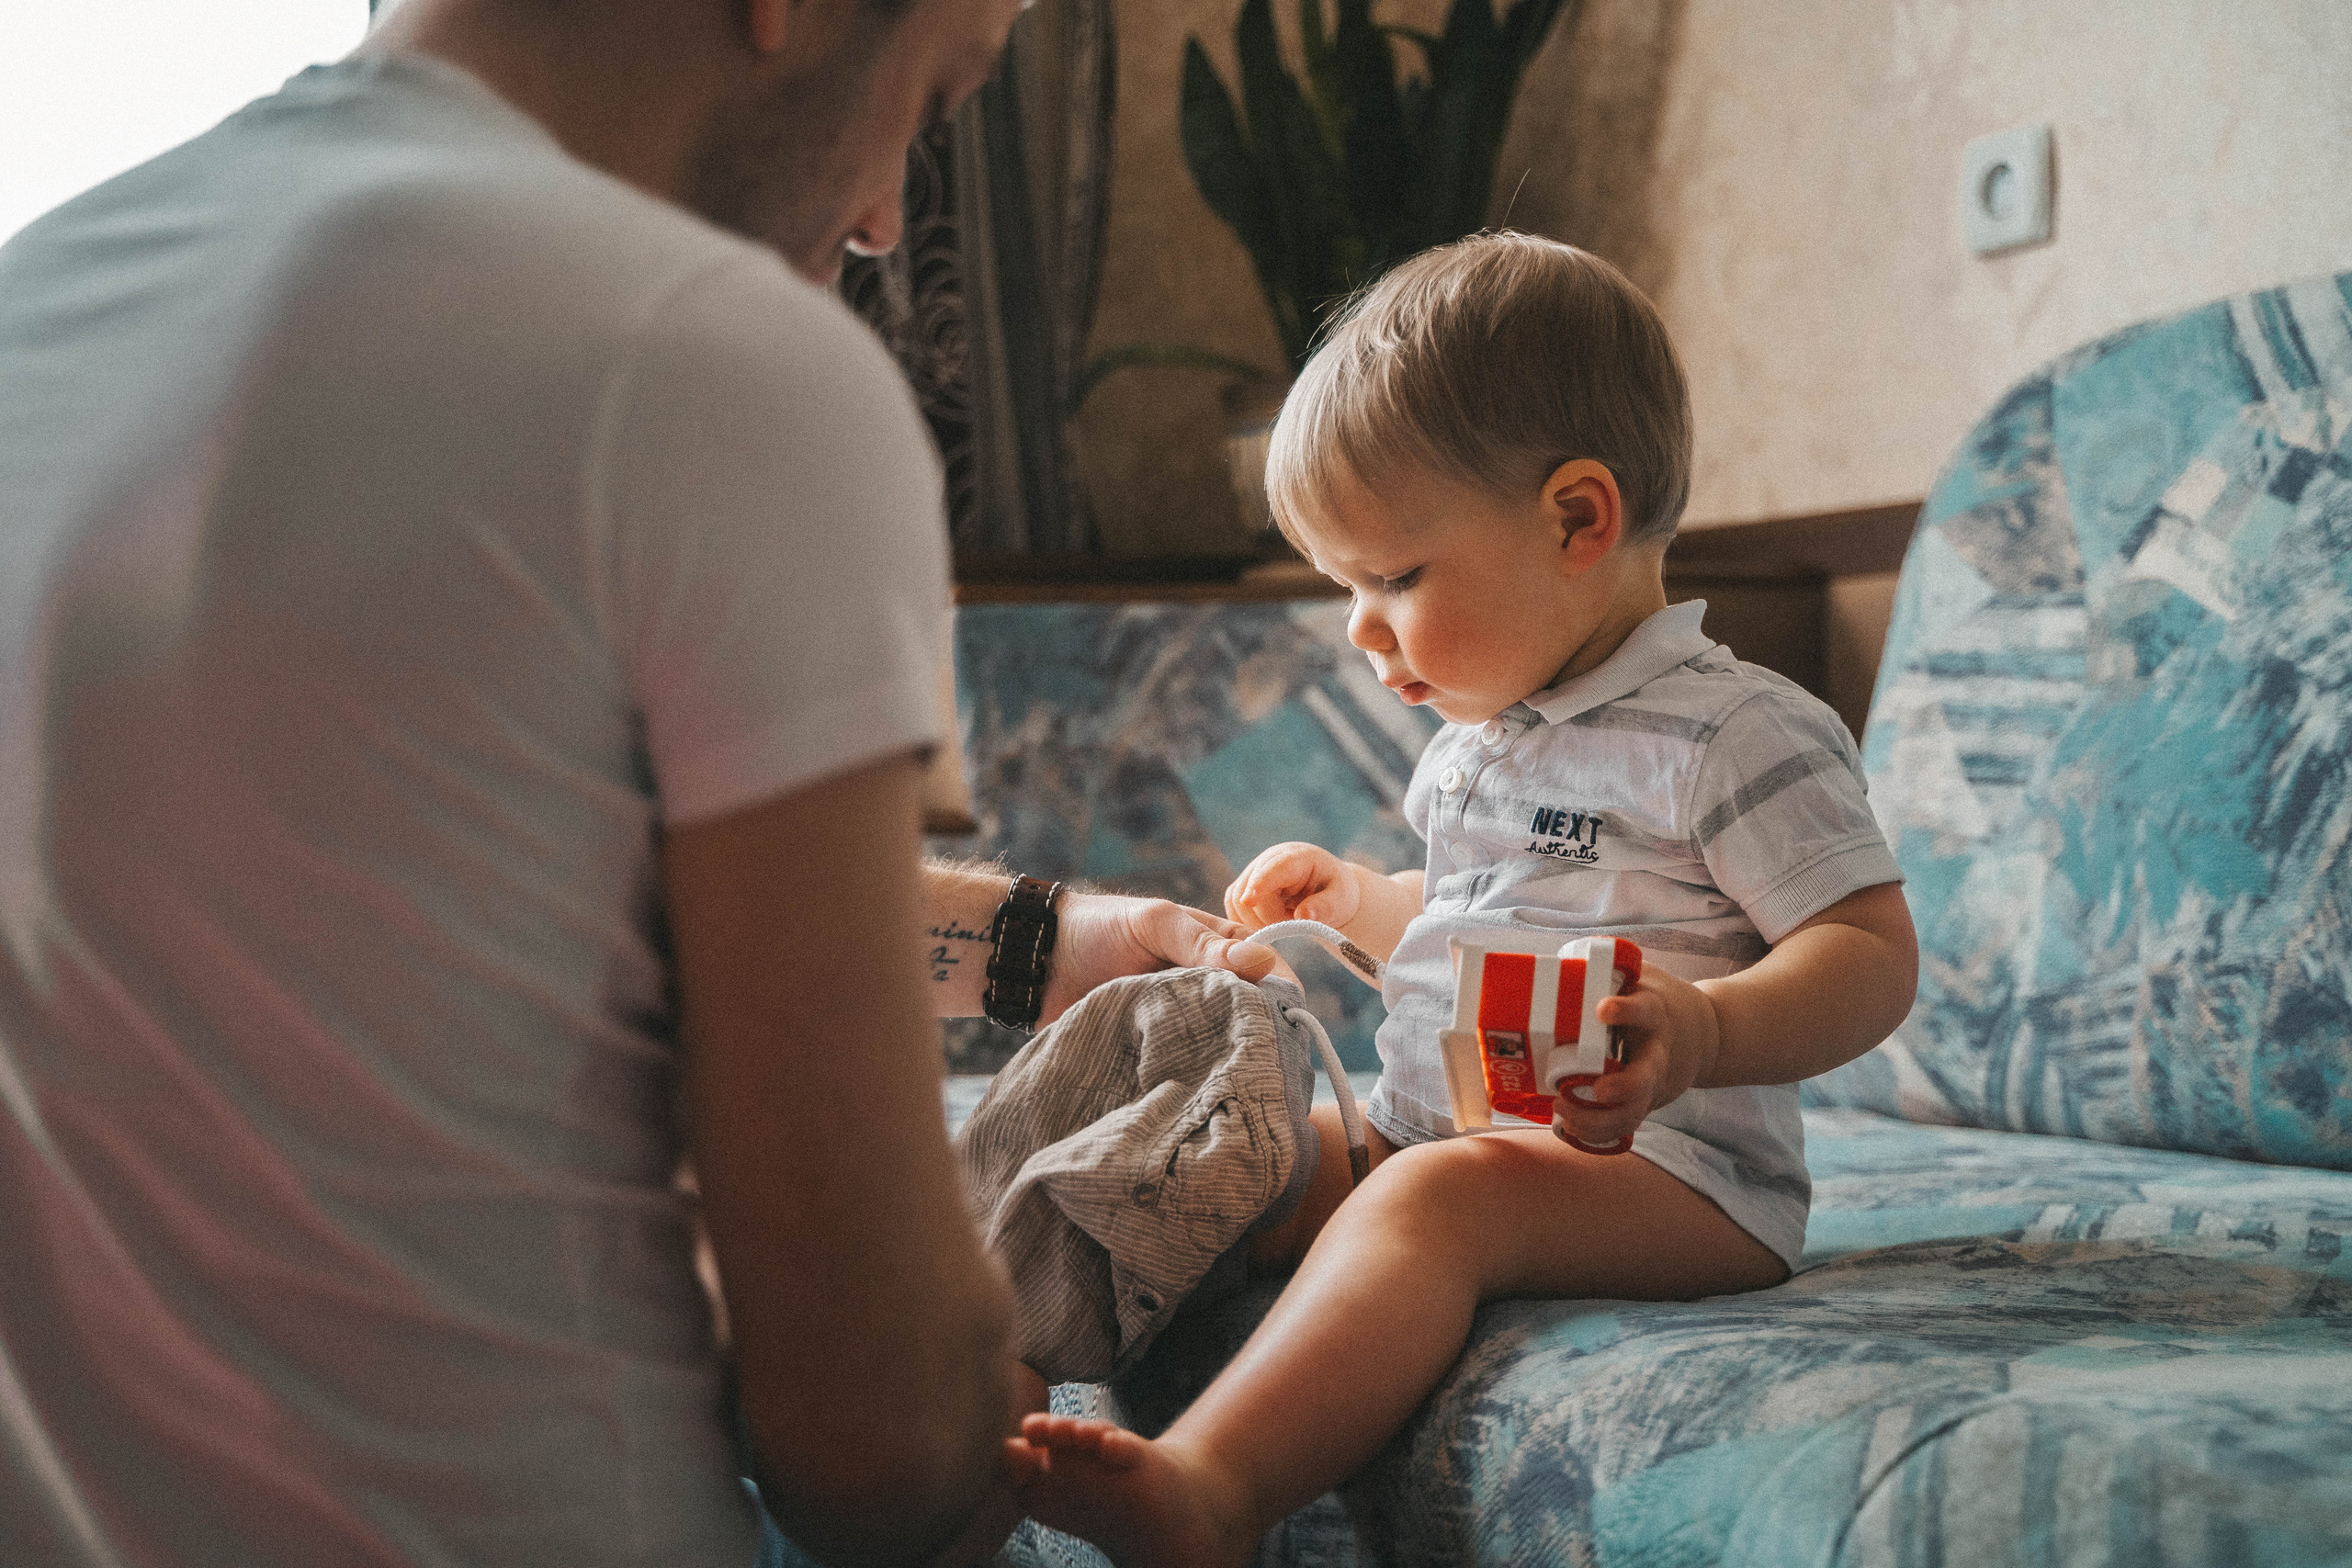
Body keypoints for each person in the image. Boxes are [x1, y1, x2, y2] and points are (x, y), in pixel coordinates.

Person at [0, 3, 1272, 1566]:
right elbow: (873, 1453)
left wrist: (1036, 946)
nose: (884, 218)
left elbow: (393, 861)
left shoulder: (44, 297)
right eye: (935, 91)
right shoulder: (717, 366)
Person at [1010, 233, 1921, 1565]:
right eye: (1346, 590)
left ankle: (1210, 1491)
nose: (1360, 632)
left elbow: (1871, 951)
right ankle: (982, 1378)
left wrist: (1709, 1032)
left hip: (1673, 1180)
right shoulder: (1480, 744)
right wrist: (1367, 904)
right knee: (1216, 1156)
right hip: (1438, 1127)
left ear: (1576, 521)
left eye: (1394, 579)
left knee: (1431, 1207)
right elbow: (1475, 929)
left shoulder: (1736, 734)